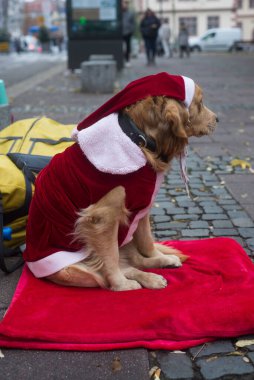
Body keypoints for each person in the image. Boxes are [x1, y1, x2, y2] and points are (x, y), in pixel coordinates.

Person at [122, 0, 136, 68]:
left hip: (128, 33)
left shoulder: (131, 13)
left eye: (125, 3)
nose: (124, 5)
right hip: (120, 33)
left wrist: (131, 31)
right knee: (122, 47)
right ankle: (122, 60)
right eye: (123, 3)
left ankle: (127, 61)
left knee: (128, 47)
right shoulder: (119, 13)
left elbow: (133, 23)